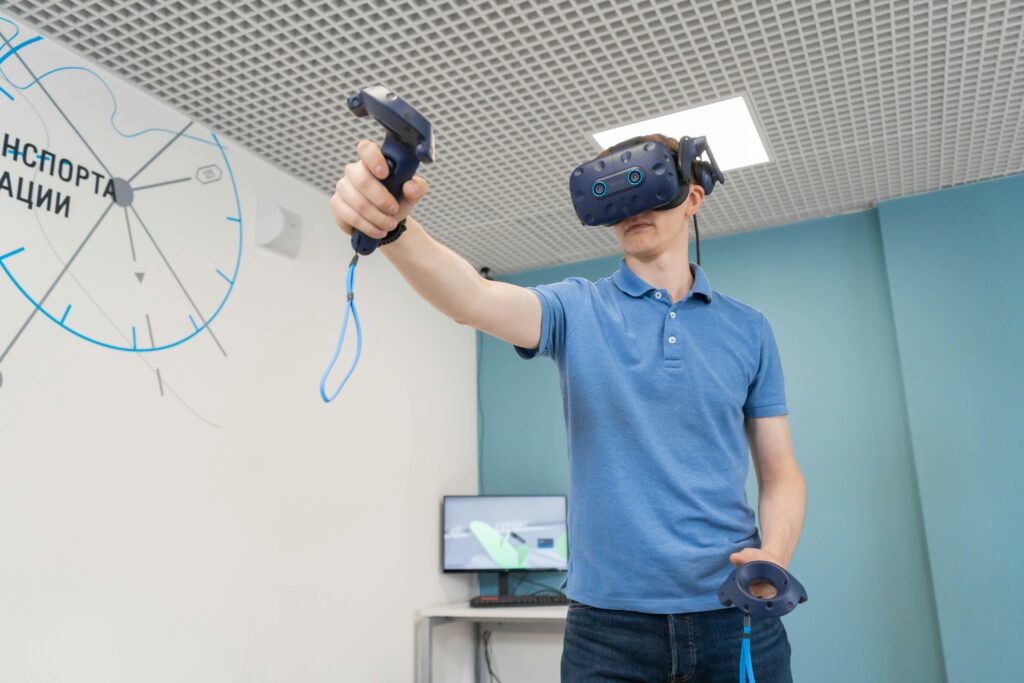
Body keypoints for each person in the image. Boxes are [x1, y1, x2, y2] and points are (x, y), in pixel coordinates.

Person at [330, 133, 807, 682]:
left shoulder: (749, 329)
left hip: (734, 607)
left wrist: (774, 554)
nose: (632, 210)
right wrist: (392, 227)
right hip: (608, 629)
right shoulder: (577, 308)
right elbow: (473, 300)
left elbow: (781, 472)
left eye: (647, 187)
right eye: (616, 196)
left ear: (692, 198)